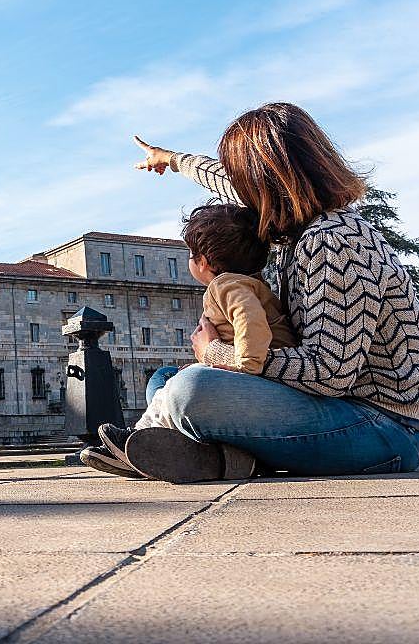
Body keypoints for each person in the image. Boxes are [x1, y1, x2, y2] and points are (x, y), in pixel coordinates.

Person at [85, 103, 419, 483]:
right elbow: (222, 180)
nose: (236, 193)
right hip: (333, 407)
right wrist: (171, 159)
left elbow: (330, 373)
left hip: (380, 424)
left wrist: (215, 354)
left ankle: (165, 447)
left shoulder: (333, 243)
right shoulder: (299, 231)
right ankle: (227, 460)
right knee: (167, 378)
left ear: (264, 184)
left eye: (243, 180)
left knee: (189, 390)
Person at [84, 203, 296, 480]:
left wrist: (245, 362)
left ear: (203, 262)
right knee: (164, 377)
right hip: (254, 380)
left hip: (260, 381)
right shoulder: (248, 283)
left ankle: (135, 442)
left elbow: (250, 321)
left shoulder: (227, 285)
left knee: (173, 386)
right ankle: (174, 448)